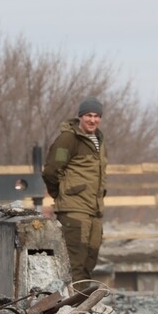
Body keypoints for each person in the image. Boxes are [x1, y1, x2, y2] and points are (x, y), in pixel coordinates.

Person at [41, 97, 108, 290]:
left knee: (90, 259)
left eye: (96, 116)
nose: (92, 120)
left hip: (94, 210)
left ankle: (83, 303)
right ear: (80, 116)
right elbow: (52, 170)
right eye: (88, 115)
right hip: (74, 209)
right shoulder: (68, 139)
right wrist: (60, 195)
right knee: (75, 260)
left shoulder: (99, 141)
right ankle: (74, 308)